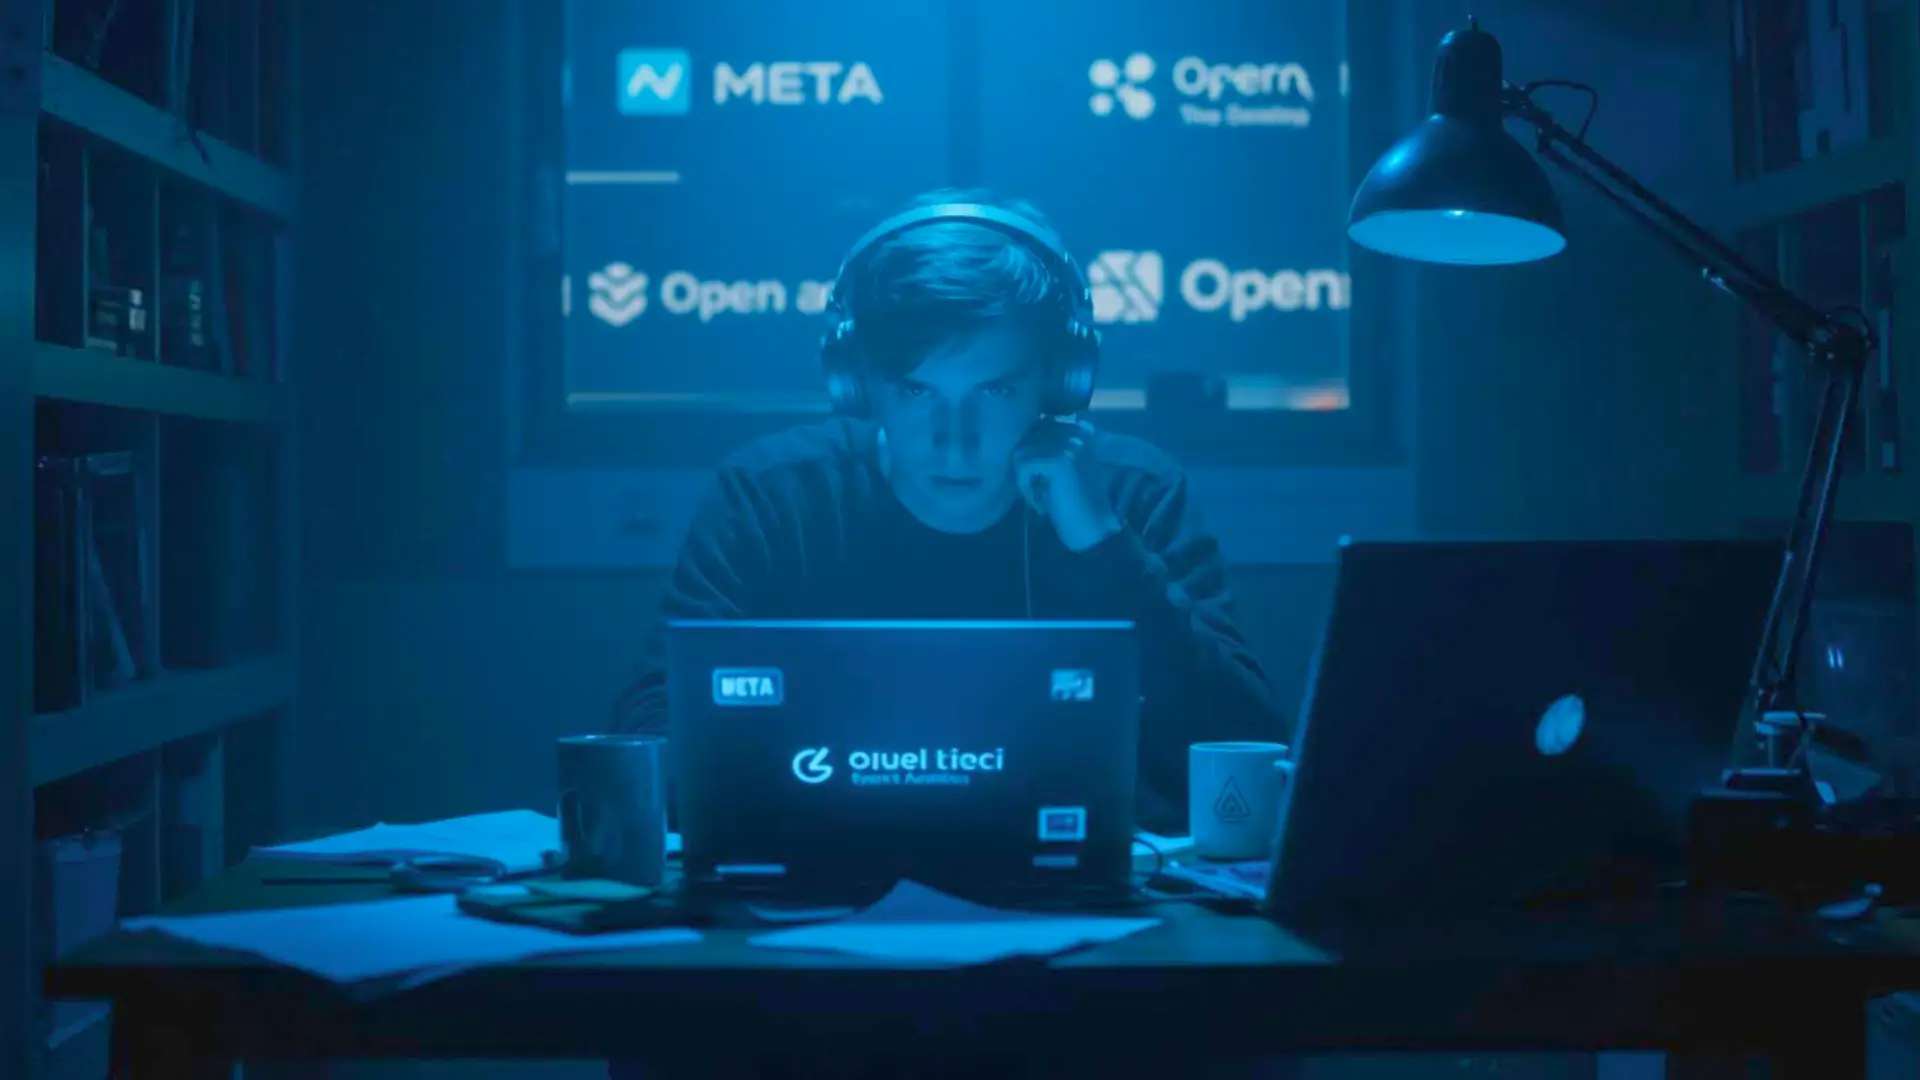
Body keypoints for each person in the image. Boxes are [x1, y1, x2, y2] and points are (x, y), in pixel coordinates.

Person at [612, 188, 1286, 832]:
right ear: (858, 384)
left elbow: (1249, 752)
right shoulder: (771, 496)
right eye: (915, 391)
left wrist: (1103, 546)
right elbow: (648, 734)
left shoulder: (1130, 494)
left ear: (1059, 383)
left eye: (995, 390)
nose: (954, 440)